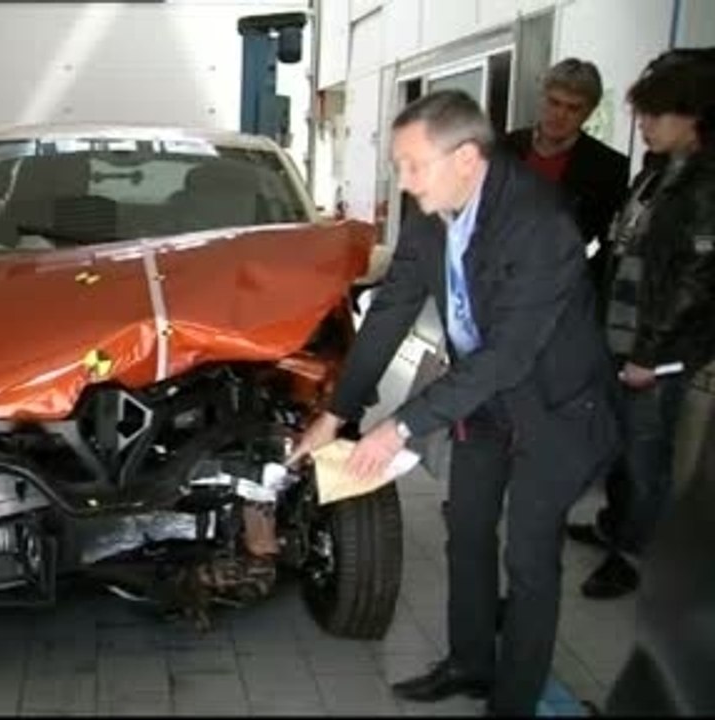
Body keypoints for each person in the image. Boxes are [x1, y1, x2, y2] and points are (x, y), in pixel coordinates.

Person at [288, 90, 619, 715]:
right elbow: (390, 311)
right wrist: (336, 414)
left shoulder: (541, 224)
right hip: (483, 401)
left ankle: (513, 702)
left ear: (466, 158)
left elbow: (509, 357)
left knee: (529, 558)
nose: (404, 181)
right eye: (400, 166)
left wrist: (399, 428)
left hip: (555, 407)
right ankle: (470, 662)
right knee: (465, 531)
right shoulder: (432, 215)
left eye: (414, 165)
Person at [566, 48, 715, 600]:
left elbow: (695, 284)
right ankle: (616, 523)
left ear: (694, 117)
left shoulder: (704, 185)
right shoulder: (655, 172)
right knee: (621, 447)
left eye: (655, 113)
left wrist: (650, 354)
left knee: (647, 458)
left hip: (658, 353)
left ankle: (630, 555)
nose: (643, 123)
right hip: (623, 338)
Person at [501, 57, 629, 318]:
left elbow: (609, 246)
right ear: (541, 98)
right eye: (554, 102)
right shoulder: (504, 148)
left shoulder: (609, 167)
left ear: (589, 112)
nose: (559, 115)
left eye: (573, 108)